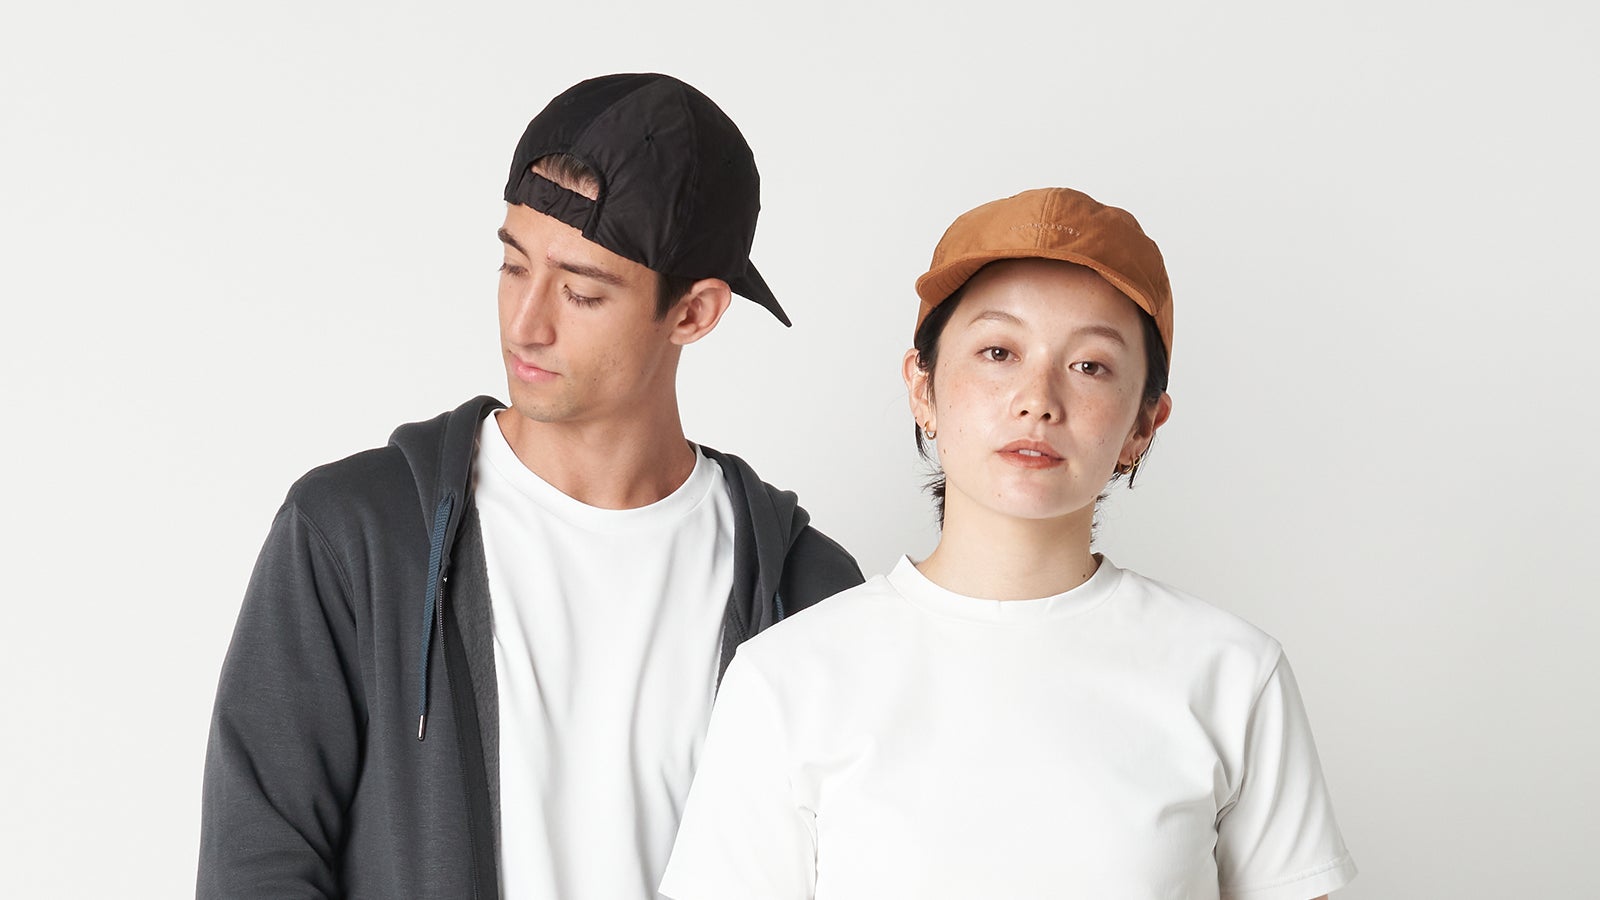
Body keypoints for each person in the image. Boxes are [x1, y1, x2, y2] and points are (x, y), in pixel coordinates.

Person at [197, 72, 863, 899]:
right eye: (513, 266)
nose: (525, 323)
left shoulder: (808, 593)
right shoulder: (357, 535)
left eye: (581, 291)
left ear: (693, 313)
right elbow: (256, 864)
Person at [660, 188, 1357, 900]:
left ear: (1144, 425)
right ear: (923, 388)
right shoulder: (787, 679)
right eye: (998, 352)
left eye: (1090, 366)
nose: (1038, 399)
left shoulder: (1234, 676)